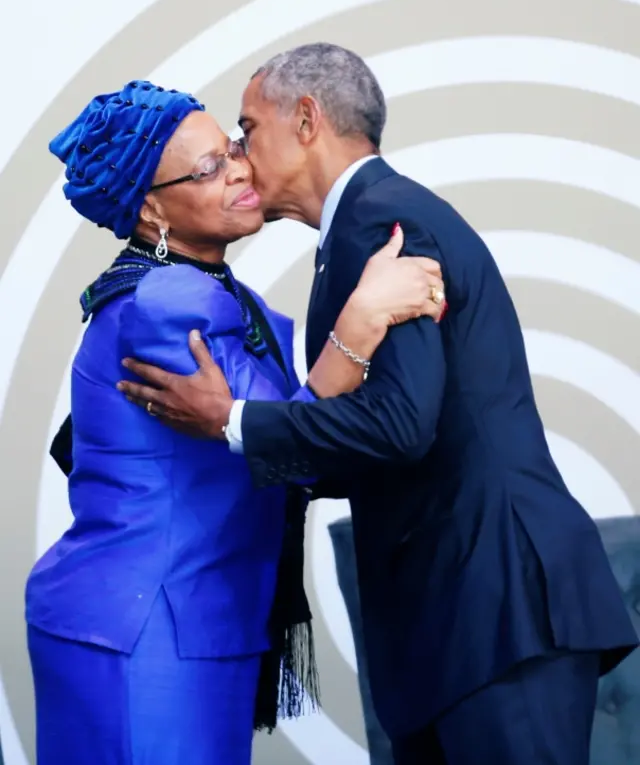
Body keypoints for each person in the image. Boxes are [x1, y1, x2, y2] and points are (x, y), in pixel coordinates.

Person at [119, 44, 639, 765]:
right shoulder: (359, 229)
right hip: (465, 624)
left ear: (306, 120)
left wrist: (231, 420)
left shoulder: (381, 223)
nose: (238, 155)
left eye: (247, 128)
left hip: (499, 611)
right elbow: (373, 445)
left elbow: (398, 425)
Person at [26, 79, 447, 765]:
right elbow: (295, 449)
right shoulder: (167, 305)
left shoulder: (215, 293)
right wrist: (362, 318)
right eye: (208, 169)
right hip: (141, 632)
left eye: (230, 149)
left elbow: (281, 429)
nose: (240, 170)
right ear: (151, 211)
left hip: (190, 620)